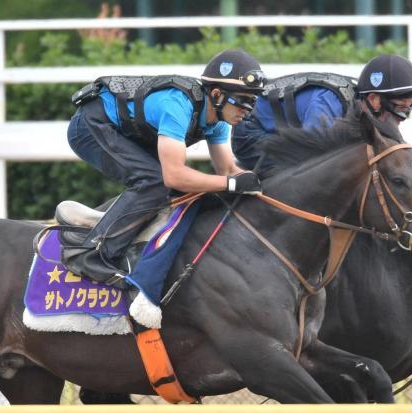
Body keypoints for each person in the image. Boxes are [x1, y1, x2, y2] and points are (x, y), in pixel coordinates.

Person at [61, 49, 267, 286]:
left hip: (125, 132)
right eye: (243, 100)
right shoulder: (177, 105)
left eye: (253, 101)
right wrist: (231, 184)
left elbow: (228, 170)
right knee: (154, 182)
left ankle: (127, 241)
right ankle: (90, 254)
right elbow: (174, 176)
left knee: (187, 190)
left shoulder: (218, 120)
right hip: (90, 127)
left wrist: (265, 184)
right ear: (218, 94)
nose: (247, 109)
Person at [232, 53, 412, 172]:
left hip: (282, 132)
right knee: (310, 171)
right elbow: (313, 159)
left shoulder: (365, 106)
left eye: (409, 108)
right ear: (374, 99)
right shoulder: (328, 103)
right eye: (399, 108)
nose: (401, 119)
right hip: (250, 131)